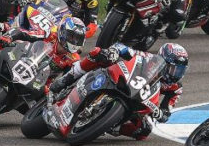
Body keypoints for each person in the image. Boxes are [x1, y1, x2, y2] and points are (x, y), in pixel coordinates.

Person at [48, 42, 189, 139]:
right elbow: (123, 48)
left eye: (179, 70)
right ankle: (66, 79)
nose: (175, 74)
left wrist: (160, 114)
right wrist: (114, 52)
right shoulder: (148, 58)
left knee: (144, 131)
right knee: (98, 53)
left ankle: (112, 127)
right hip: (122, 79)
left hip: (141, 99)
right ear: (163, 60)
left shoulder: (176, 88)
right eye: (173, 68)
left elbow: (167, 112)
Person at [0, 16, 87, 95]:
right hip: (21, 63)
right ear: (63, 31)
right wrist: (9, 38)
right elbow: (25, 33)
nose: (74, 41)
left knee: (45, 109)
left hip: (38, 85)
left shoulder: (74, 59)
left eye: (77, 39)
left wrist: (52, 90)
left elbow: (66, 81)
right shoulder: (50, 34)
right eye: (71, 36)